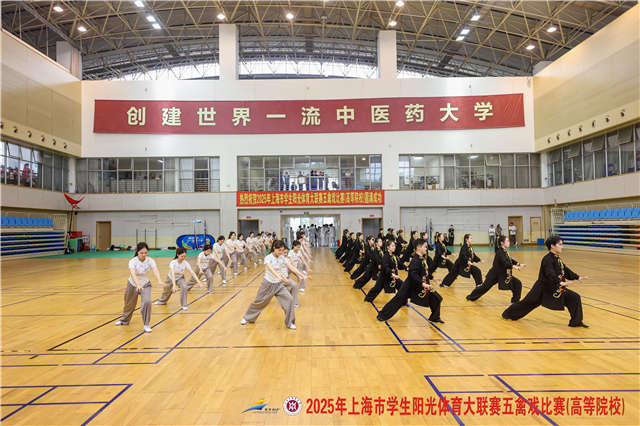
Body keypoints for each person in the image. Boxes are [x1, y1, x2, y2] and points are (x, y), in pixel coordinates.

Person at [502, 236, 589, 327]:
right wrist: (560, 282)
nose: (562, 247)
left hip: (554, 288)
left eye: (562, 244)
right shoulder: (547, 259)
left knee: (574, 297)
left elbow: (565, 270)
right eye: (560, 244)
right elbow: (549, 273)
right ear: (552, 246)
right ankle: (508, 314)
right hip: (542, 289)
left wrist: (577, 277)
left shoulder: (557, 258)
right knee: (527, 303)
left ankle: (576, 322)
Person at [240, 240, 306, 330]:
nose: (281, 252)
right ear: (274, 248)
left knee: (289, 299)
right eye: (279, 250)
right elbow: (271, 269)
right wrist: (279, 277)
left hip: (278, 285)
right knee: (259, 302)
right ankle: (247, 318)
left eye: (282, 250)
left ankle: (290, 322)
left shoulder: (282, 258)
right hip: (267, 284)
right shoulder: (268, 258)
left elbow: (291, 267)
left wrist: (302, 275)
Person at [376, 239, 443, 323]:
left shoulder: (421, 258)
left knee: (436, 298)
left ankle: (435, 317)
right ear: (418, 248)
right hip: (409, 286)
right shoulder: (415, 260)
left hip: (418, 285)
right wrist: (423, 284)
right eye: (425, 247)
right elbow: (413, 275)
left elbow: (424, 272)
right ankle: (382, 315)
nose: (426, 249)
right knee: (397, 300)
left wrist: (432, 278)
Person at [115, 242, 162, 333]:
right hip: (132, 284)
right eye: (141, 253)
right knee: (129, 304)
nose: (144, 255)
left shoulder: (150, 261)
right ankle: (124, 320)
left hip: (145, 284)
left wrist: (159, 280)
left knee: (147, 302)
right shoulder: (133, 261)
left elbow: (155, 270)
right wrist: (137, 284)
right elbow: (133, 274)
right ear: (137, 252)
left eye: (146, 253)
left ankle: (146, 324)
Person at [466, 236, 525, 303]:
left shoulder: (504, 251)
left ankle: (515, 301)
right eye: (507, 241)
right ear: (502, 243)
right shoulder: (499, 252)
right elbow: (504, 263)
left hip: (502, 275)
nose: (509, 242)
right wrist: (514, 267)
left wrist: (518, 264)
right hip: (494, 275)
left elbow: (509, 259)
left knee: (517, 283)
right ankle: (471, 296)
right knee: (484, 287)